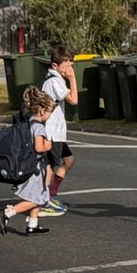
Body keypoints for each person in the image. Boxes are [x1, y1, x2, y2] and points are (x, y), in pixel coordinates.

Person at [0, 86, 56, 236]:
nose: (49, 116)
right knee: (40, 199)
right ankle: (9, 212)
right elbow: (38, 147)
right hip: (34, 168)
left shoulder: (28, 122)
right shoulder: (39, 127)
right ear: (42, 111)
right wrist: (47, 146)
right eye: (49, 113)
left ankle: (33, 224)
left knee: (38, 194)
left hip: (28, 164)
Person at [40, 45, 78, 217]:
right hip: (51, 132)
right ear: (55, 66)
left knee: (68, 161)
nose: (69, 69)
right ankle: (43, 200)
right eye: (66, 65)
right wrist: (73, 78)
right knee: (50, 165)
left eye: (71, 65)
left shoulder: (57, 80)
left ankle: (51, 193)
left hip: (58, 132)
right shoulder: (54, 81)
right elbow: (74, 100)